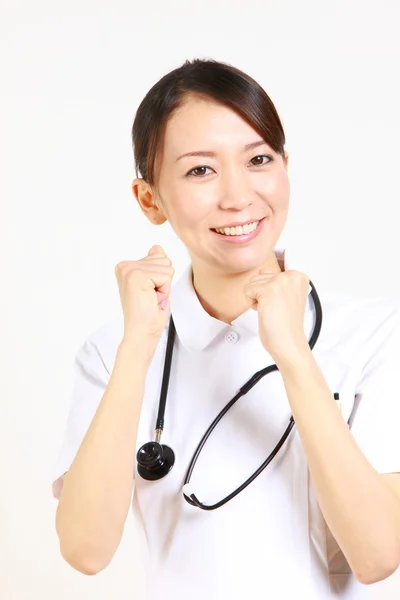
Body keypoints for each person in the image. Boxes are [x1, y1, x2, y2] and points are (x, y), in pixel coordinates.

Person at [52, 58, 400, 599]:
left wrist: (292, 355)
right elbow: (85, 550)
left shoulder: (372, 333)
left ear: (286, 166)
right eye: (200, 170)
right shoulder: (114, 352)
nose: (238, 196)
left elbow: (378, 555)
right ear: (150, 200)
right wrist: (138, 345)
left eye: (258, 159)